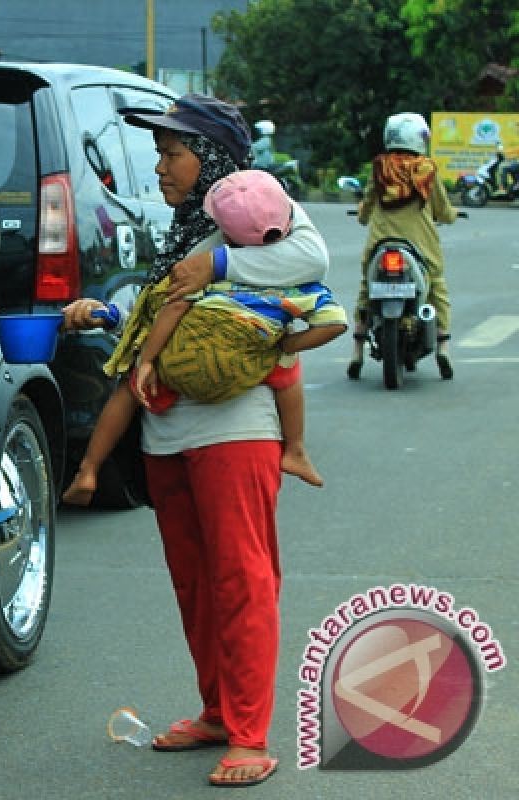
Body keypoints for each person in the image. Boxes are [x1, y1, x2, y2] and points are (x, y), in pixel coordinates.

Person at [61, 93, 329, 788]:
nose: (160, 167)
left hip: (234, 429)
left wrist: (218, 268)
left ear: (210, 156)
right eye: (160, 153)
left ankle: (249, 734)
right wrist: (108, 314)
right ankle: (216, 711)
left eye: (172, 153)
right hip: (165, 434)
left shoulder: (251, 214)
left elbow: (311, 256)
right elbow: (172, 311)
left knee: (243, 581)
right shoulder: (188, 229)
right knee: (195, 584)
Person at [61, 169, 346, 507]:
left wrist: (148, 359)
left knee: (130, 386)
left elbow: (171, 308)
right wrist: (287, 345)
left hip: (180, 380)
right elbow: (334, 324)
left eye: (172, 154)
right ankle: (296, 448)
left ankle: (89, 468)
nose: (161, 167)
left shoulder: (201, 272)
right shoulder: (298, 285)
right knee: (286, 370)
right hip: (236, 379)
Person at [349, 112, 457, 380]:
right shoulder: (427, 169)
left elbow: (369, 203)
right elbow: (442, 209)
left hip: (381, 242)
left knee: (367, 287)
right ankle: (443, 344)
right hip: (420, 244)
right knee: (436, 285)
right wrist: (451, 215)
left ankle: (357, 349)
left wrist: (362, 216)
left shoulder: (380, 167)